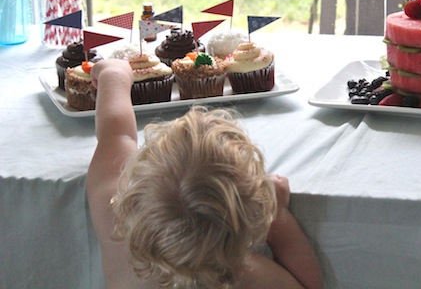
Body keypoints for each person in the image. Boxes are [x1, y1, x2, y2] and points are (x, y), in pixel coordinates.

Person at [87, 59, 324, 289]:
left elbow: (117, 135)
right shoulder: (251, 277)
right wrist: (279, 216)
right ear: (255, 218)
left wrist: (114, 76)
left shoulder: (112, 218)